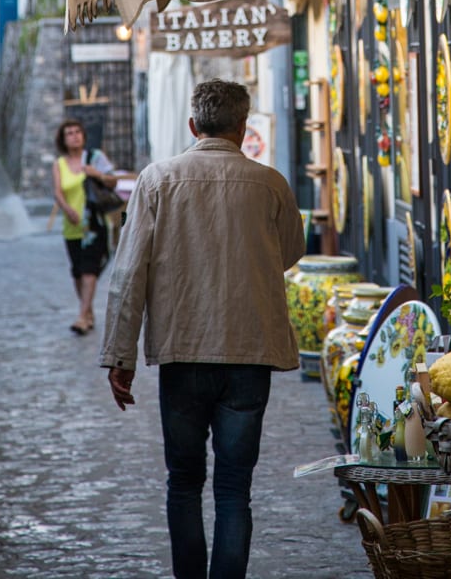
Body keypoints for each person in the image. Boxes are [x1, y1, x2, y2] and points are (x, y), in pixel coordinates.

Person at [100, 79, 305, 579]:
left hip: (184, 351)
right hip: (249, 352)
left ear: (193, 125)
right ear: (243, 126)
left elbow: (128, 274)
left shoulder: (157, 180)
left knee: (184, 482)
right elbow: (291, 252)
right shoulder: (271, 182)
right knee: (235, 487)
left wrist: (119, 355)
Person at [52, 119, 118, 336]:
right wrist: (66, 209)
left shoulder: (95, 157)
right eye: (69, 133)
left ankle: (82, 316)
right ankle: (87, 312)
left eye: (77, 132)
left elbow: (113, 182)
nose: (74, 136)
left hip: (94, 224)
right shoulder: (59, 164)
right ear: (63, 139)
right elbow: (58, 192)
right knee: (78, 272)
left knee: (90, 270)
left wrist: (96, 173)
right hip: (71, 225)